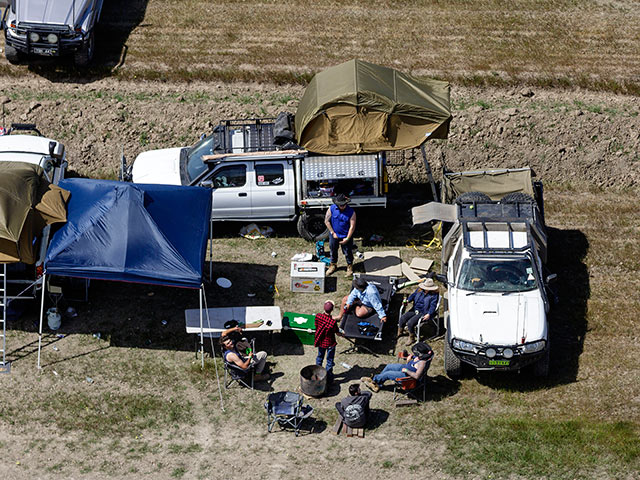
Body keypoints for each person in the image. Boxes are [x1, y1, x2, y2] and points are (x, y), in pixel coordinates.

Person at [361, 342, 433, 392]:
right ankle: (377, 383)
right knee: (389, 366)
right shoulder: (422, 356)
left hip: (407, 377)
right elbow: (414, 358)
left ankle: (374, 382)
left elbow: (417, 376)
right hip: (405, 367)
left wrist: (406, 371)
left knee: (388, 374)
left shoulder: (422, 363)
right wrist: (408, 356)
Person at [398, 278, 440, 345]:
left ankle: (412, 338)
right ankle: (400, 332)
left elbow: (433, 306)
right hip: (415, 309)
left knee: (410, 323)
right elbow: (413, 295)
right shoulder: (419, 290)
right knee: (403, 318)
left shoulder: (434, 295)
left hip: (424, 312)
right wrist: (408, 300)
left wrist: (429, 314)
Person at [324, 193, 356, 277]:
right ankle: (333, 265)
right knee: (333, 250)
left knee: (348, 252)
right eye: (340, 205)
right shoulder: (331, 209)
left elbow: (352, 226)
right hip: (334, 235)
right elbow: (326, 221)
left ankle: (349, 266)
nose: (342, 207)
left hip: (346, 236)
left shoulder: (351, 212)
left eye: (343, 205)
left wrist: (347, 238)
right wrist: (333, 233)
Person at [314, 300, 341, 384]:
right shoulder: (332, 322)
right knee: (329, 361)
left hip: (321, 341)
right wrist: (342, 334)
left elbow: (316, 325)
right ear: (332, 310)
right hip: (330, 343)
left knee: (319, 357)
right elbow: (337, 332)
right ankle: (329, 378)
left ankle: (317, 374)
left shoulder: (318, 316)